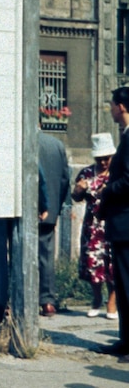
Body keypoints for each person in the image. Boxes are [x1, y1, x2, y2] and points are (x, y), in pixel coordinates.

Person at [0, 165, 49, 327]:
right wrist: (43, 202)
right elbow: (33, 165)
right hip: (19, 194)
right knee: (24, 257)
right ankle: (23, 312)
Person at [71, 134, 118, 320]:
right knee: (93, 263)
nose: (104, 162)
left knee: (113, 264)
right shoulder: (86, 173)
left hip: (112, 224)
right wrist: (78, 190)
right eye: (100, 159)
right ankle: (96, 298)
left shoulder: (117, 172)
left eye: (107, 158)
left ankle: (112, 302)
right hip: (93, 226)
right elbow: (75, 197)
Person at [99, 87, 129, 360]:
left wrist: (107, 190)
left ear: (121, 106)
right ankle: (124, 339)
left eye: (111, 105)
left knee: (126, 283)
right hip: (122, 223)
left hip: (125, 223)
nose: (110, 109)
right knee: (122, 283)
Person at [38, 129, 70, 317]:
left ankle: (17, 298)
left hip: (25, 210)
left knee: (18, 255)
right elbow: (65, 178)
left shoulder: (20, 140)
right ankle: (48, 301)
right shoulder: (56, 145)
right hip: (49, 210)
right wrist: (56, 205)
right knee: (46, 256)